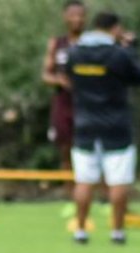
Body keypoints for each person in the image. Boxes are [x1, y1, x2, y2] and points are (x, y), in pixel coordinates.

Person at [67, 10, 140, 245]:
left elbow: (70, 79)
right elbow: (139, 77)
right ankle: (117, 231)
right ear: (115, 28)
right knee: (118, 180)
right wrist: (131, 49)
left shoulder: (75, 52)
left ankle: (80, 230)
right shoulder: (117, 54)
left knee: (83, 180)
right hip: (116, 124)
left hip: (84, 123)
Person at [41, 1, 88, 176]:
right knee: (65, 149)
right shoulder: (57, 43)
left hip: (88, 102)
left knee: (91, 149)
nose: (77, 19)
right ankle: (71, 196)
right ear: (65, 17)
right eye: (73, 15)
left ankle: (101, 195)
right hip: (64, 103)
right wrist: (59, 80)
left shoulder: (91, 42)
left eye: (81, 15)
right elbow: (45, 75)